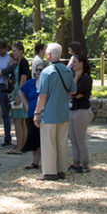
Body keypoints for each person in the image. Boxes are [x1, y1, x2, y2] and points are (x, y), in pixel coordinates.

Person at [35, 43, 73, 180]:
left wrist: (37, 113)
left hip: (49, 114)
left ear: (50, 55)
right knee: (62, 142)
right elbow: (72, 90)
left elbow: (42, 95)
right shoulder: (68, 71)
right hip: (63, 112)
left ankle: (50, 171)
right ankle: (62, 169)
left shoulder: (46, 72)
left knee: (48, 143)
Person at [68, 52, 94, 173]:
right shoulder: (72, 76)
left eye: (75, 62)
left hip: (82, 110)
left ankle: (85, 163)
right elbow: (70, 91)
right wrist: (75, 94)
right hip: (72, 109)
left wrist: (77, 78)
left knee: (80, 138)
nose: (72, 64)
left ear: (82, 64)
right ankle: (75, 162)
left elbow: (74, 92)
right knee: (72, 138)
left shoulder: (86, 78)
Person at [17, 59, 41, 168]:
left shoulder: (46, 83)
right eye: (36, 70)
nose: (38, 72)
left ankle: (46, 162)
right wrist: (26, 106)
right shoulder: (30, 83)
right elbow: (21, 92)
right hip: (31, 114)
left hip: (44, 115)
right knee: (33, 139)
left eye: (40, 70)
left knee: (43, 140)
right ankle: (35, 162)